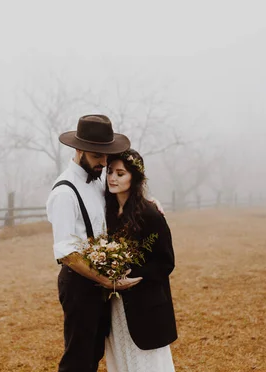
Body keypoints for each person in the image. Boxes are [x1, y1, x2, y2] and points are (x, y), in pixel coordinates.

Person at [46, 114, 142, 372]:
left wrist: (150, 202)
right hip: (79, 284)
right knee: (78, 359)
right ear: (79, 150)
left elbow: (125, 196)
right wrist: (108, 282)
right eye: (98, 155)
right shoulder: (65, 193)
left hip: (100, 282)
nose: (104, 162)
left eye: (106, 155)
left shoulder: (98, 178)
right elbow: (67, 252)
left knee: (95, 351)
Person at [104, 149, 178, 371]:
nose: (112, 178)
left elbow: (166, 261)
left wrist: (134, 275)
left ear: (134, 177)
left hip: (145, 303)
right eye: (109, 172)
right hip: (116, 303)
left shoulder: (149, 213)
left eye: (120, 173)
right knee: (121, 358)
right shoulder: (106, 210)